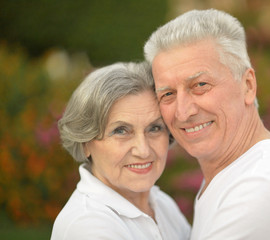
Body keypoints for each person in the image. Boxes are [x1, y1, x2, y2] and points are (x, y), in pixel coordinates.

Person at [144, 9, 270, 239]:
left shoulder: (265, 184)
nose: (183, 112)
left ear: (247, 85)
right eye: (167, 94)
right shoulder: (236, 173)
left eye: (200, 85)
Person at [50, 61, 191, 240]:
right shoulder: (87, 226)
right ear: (85, 142)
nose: (143, 150)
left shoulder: (162, 204)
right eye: (121, 131)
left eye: (154, 128)